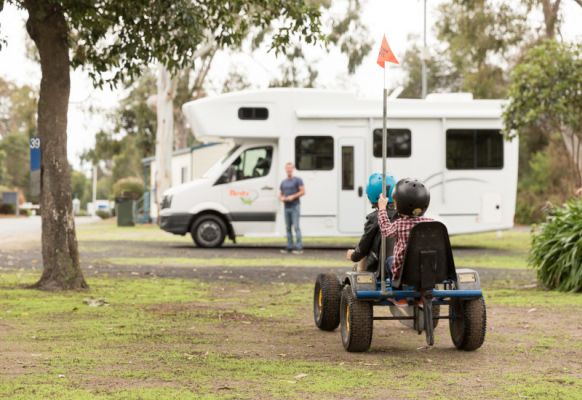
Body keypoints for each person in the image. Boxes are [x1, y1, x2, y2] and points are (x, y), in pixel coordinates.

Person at [377, 178, 433, 281]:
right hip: (428, 272)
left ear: (400, 204)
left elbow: (385, 230)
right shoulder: (432, 224)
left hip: (404, 274)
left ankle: (396, 288)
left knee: (389, 260)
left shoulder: (400, 224)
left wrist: (382, 209)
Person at [346, 173, 397, 272]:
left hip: (378, 269)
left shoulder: (374, 218)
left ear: (371, 195)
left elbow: (364, 247)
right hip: (401, 267)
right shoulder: (402, 216)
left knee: (363, 257)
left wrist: (353, 256)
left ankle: (360, 280)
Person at [279, 162, 305, 254]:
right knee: (288, 227)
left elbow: (303, 191)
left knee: (296, 227)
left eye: (290, 168)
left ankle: (299, 247)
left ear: (293, 169)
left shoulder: (298, 180)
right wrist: (281, 198)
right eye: (287, 168)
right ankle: (289, 246)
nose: (289, 170)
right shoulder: (283, 182)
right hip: (286, 207)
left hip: (295, 206)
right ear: (285, 169)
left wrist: (293, 197)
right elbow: (280, 194)